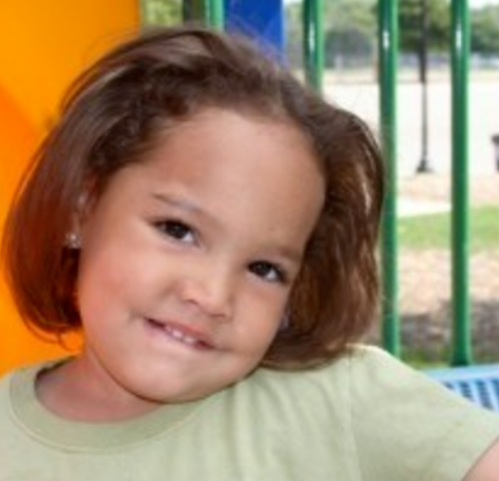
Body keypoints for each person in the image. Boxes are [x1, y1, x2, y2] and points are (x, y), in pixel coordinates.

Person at [0, 25, 498, 480]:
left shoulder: (339, 399)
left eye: (264, 269)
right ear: (82, 209)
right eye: (178, 230)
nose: (213, 295)